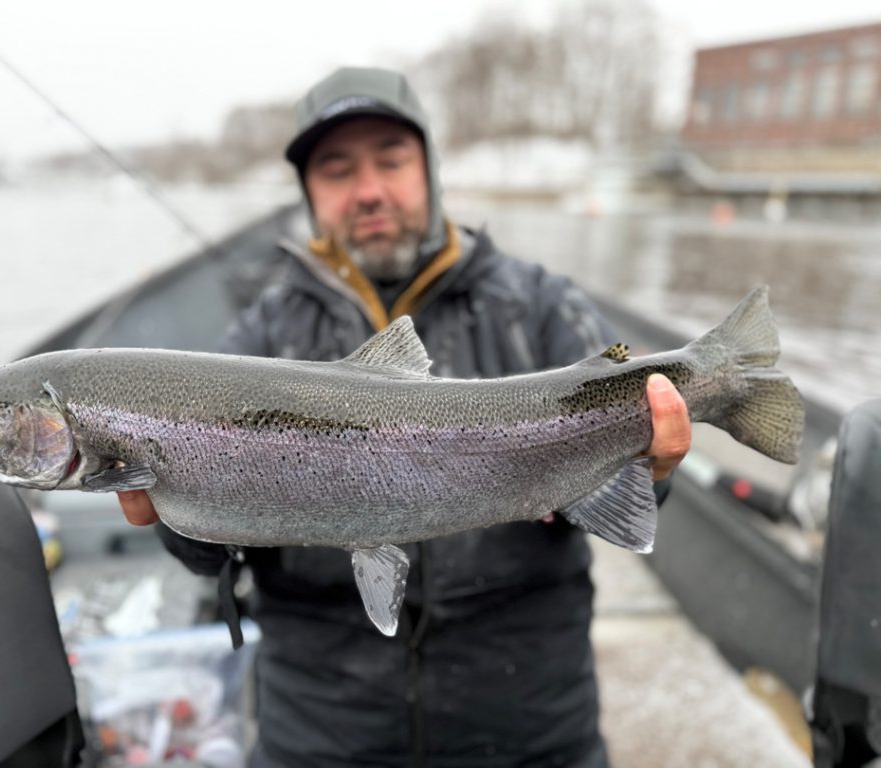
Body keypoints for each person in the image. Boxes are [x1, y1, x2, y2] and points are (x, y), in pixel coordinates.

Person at [118, 67, 691, 768]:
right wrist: (185, 520)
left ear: (430, 168)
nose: (368, 191)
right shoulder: (261, 337)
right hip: (321, 724)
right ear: (309, 193)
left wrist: (651, 464)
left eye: (391, 159)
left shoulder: (538, 304)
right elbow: (206, 554)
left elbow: (639, 472)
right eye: (336, 170)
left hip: (529, 715)